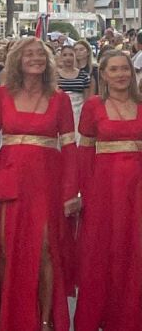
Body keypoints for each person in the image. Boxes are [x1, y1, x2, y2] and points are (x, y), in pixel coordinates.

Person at [0, 37, 80, 330]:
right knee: (6, 248)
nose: (35, 58)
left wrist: (71, 191)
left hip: (47, 181)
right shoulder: (2, 95)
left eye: (40, 54)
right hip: (9, 176)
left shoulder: (60, 99)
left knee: (46, 249)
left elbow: (69, 148)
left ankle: (45, 319)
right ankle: (7, 315)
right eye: (28, 54)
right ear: (17, 62)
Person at [74, 50, 142, 330]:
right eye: (114, 69)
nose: (121, 74)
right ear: (103, 75)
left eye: (125, 69)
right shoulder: (93, 106)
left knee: (134, 249)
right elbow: (84, 153)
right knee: (102, 250)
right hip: (103, 189)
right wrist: (84, 192)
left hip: (138, 189)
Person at [57, 45, 91, 133]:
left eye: (71, 55)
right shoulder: (55, 76)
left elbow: (87, 98)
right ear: (61, 57)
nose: (68, 58)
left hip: (79, 112)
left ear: (75, 56)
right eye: (65, 55)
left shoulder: (84, 75)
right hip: (60, 111)